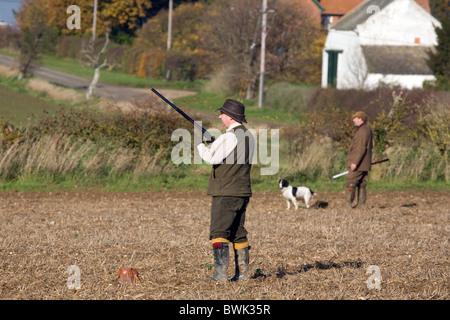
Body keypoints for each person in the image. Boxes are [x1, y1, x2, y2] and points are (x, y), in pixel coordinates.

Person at [197, 99, 255, 282]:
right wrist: (215, 144)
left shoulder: (229, 136)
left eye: (222, 114)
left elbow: (212, 159)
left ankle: (220, 275)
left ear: (230, 117)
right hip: (242, 190)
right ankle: (242, 274)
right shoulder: (248, 135)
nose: (220, 116)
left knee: (218, 232)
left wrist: (200, 144)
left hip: (226, 191)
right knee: (238, 232)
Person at [346, 111, 373, 209]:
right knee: (361, 183)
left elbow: (360, 148)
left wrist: (355, 163)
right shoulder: (366, 129)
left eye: (355, 118)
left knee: (350, 182)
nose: (353, 120)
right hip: (364, 163)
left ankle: (348, 204)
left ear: (360, 119)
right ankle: (361, 204)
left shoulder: (362, 131)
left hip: (358, 163)